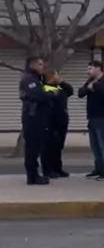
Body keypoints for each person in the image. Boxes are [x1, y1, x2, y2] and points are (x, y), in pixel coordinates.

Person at [78, 60, 104, 181]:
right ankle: (98, 169)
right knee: (95, 146)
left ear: (98, 69)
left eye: (90, 69)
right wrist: (89, 87)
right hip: (92, 118)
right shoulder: (90, 81)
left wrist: (94, 87)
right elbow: (80, 93)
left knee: (103, 145)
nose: (88, 71)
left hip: (102, 118)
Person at [19, 56, 52, 185]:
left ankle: (34, 175)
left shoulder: (36, 79)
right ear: (32, 65)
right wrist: (50, 94)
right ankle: (32, 177)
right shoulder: (29, 79)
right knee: (32, 148)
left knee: (35, 148)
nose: (42, 66)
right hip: (32, 119)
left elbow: (44, 92)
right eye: (39, 64)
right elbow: (40, 95)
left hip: (37, 119)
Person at [42, 69, 74, 179]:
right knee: (49, 147)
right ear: (51, 77)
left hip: (62, 121)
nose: (58, 76)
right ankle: (48, 170)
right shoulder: (45, 89)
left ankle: (58, 168)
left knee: (58, 147)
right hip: (51, 123)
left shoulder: (60, 87)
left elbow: (70, 91)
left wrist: (62, 82)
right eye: (56, 75)